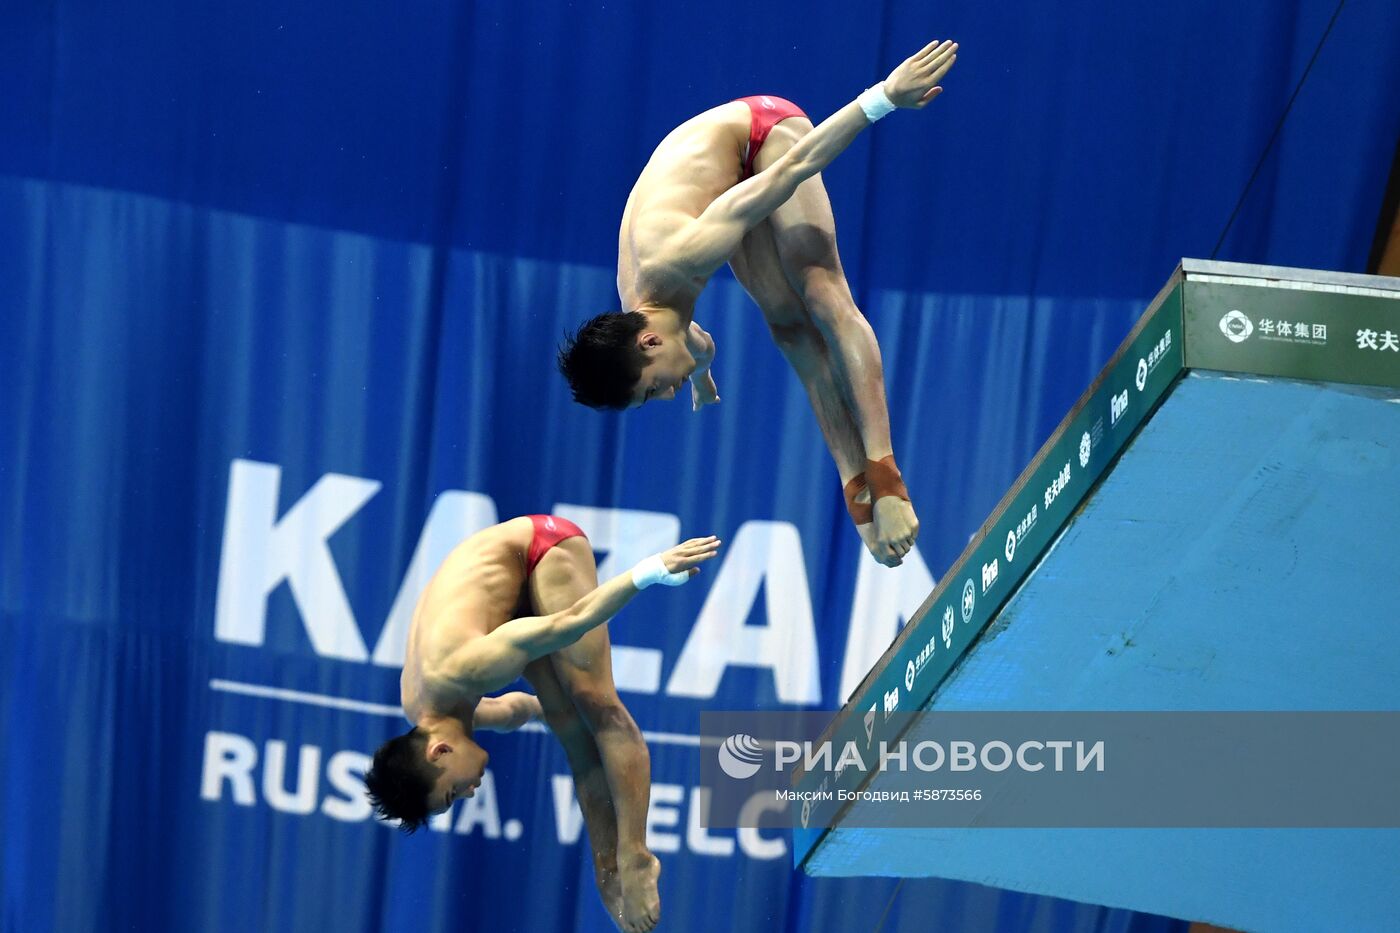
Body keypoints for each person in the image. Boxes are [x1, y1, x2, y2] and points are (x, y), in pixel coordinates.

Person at [557, 38, 958, 568]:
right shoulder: (655, 321)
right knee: (789, 329)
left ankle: (886, 478)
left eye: (656, 387)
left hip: (763, 135)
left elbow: (796, 165)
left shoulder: (681, 255)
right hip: (725, 190)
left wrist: (884, 96)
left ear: (647, 340)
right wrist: (697, 375)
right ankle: (856, 488)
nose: (668, 394)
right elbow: (700, 346)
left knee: (820, 289)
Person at [363, 514, 721, 933]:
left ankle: (634, 854)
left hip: (541, 549)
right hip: (503, 600)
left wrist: (653, 570)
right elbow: (514, 711)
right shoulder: (426, 712)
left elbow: (572, 621)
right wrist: (552, 712)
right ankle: (606, 867)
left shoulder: (469, 668)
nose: (469, 792)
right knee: (569, 726)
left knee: (596, 704)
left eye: (452, 793)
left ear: (439, 752)